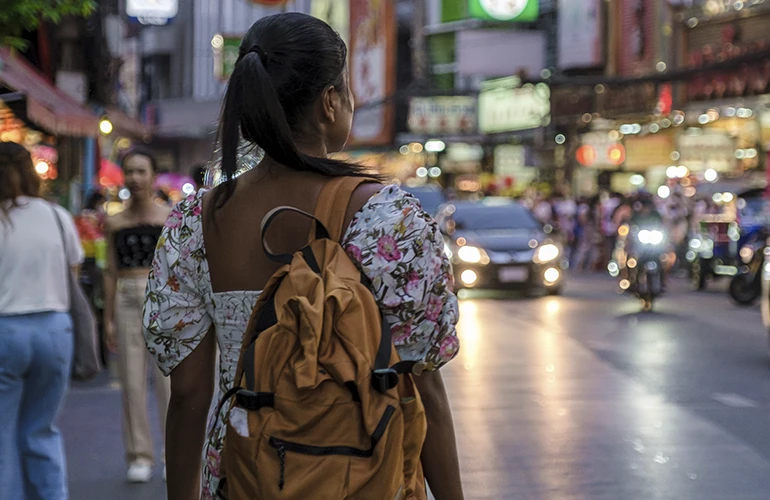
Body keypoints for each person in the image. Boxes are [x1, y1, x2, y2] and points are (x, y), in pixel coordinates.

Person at [143, 13, 464, 500]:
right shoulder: (385, 220)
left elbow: (188, 395)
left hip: (245, 474)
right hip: (363, 476)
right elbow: (425, 390)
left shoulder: (196, 223)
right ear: (330, 102)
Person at [0, 142, 84, 499]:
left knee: (2, 433)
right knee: (41, 428)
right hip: (55, 330)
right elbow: (73, 273)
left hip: (7, 331)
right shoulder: (56, 215)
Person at [104, 147, 172, 483]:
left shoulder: (169, 216)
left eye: (142, 171)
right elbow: (110, 271)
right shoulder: (114, 220)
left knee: (168, 383)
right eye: (129, 171)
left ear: (153, 176)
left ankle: (172, 452)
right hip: (127, 299)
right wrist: (108, 318)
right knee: (131, 382)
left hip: (163, 299)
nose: (135, 178)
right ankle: (139, 454)